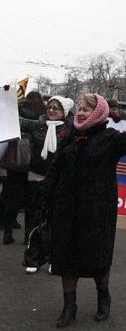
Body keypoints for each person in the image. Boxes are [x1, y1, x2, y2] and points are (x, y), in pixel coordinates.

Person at [33, 93, 126, 328]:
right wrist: (44, 195)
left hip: (97, 210)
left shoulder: (110, 138)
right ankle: (69, 306)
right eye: (81, 108)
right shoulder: (70, 136)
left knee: (98, 258)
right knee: (66, 257)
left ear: (99, 113)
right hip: (66, 208)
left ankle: (103, 297)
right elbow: (56, 167)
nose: (82, 112)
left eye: (87, 109)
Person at [19, 95, 74, 272]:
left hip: (58, 180)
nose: (51, 110)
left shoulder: (71, 129)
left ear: (64, 112)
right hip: (36, 176)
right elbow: (15, 120)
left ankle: (53, 259)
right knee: (34, 216)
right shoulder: (39, 125)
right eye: (49, 107)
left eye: (56, 108)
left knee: (55, 220)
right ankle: (32, 258)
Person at [2, 91, 46, 245]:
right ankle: (28, 235)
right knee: (31, 201)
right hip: (34, 162)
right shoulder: (42, 113)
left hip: (15, 160)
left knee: (11, 197)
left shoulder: (17, 109)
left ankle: (7, 232)